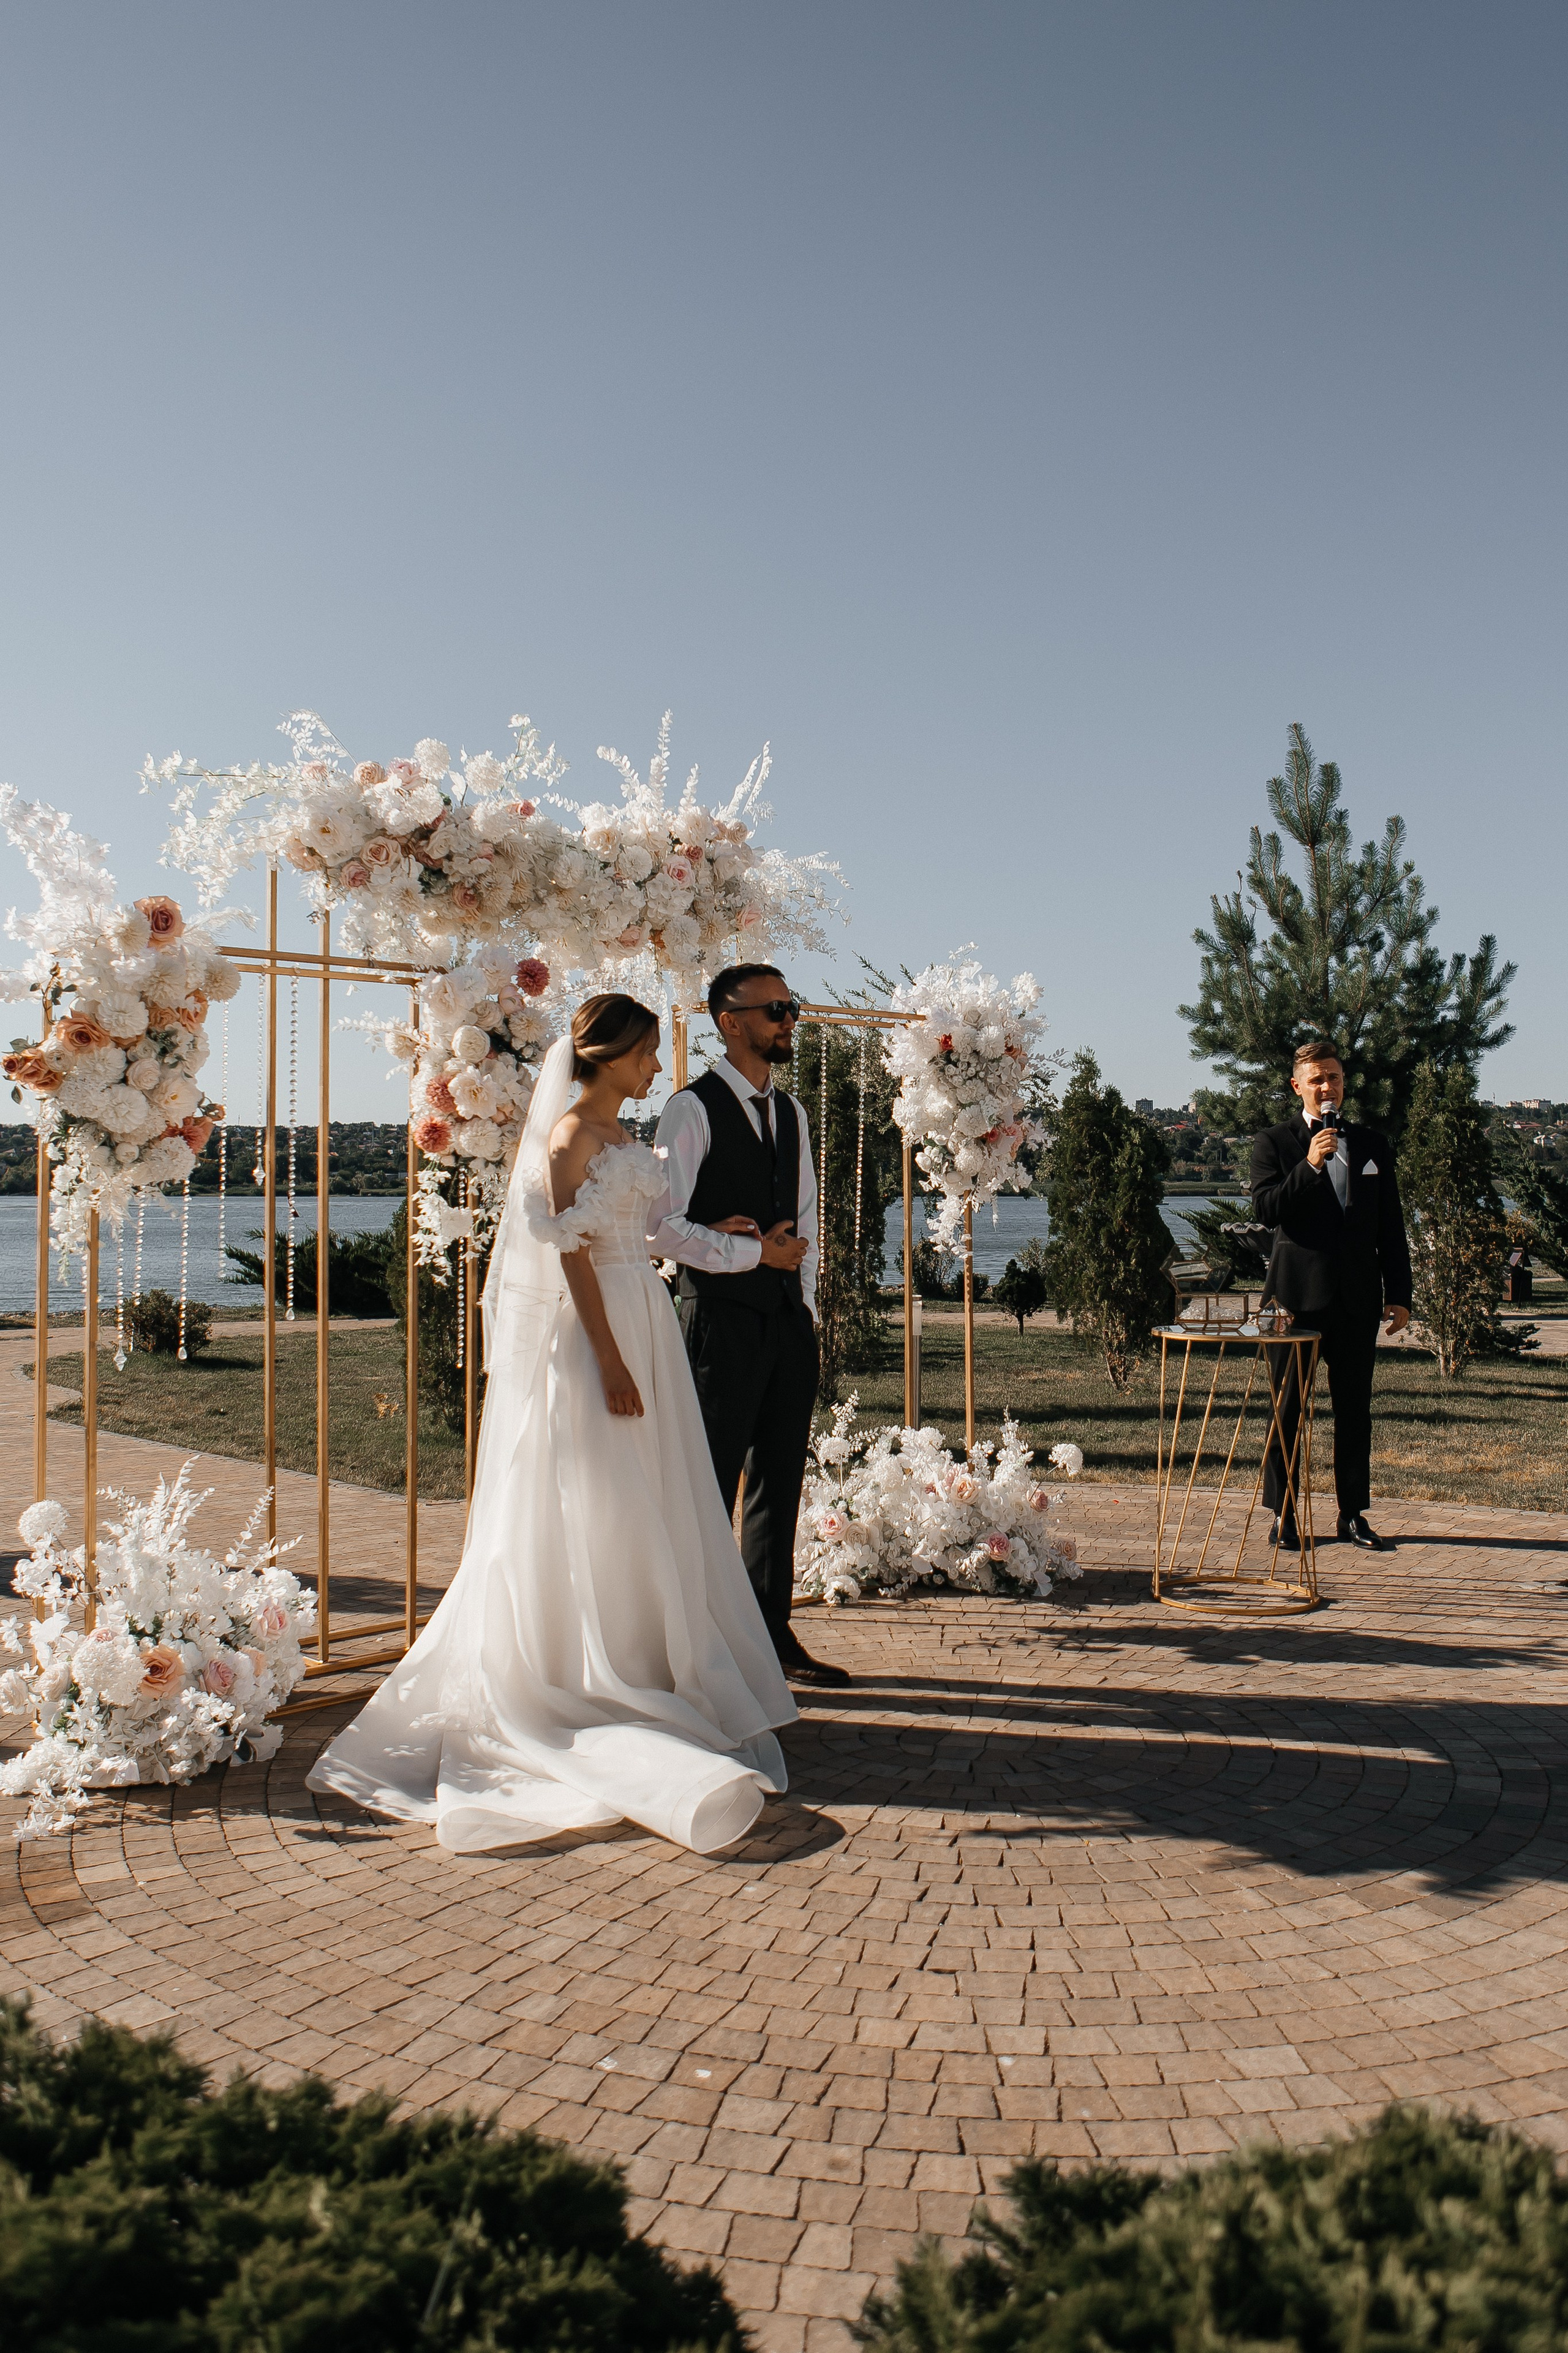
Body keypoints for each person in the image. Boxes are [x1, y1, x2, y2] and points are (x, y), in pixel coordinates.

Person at [306, 995, 797, 1855]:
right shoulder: (569, 1138)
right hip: (600, 1327)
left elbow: (640, 1224)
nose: (654, 1068)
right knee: (599, 1493)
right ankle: (584, 1668)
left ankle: (647, 1653)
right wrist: (607, 1358)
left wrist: (708, 1229)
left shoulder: (621, 1137)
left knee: (651, 1490)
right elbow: (571, 1257)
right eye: (646, 1053)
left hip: (643, 1312)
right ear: (608, 1055)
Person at [650, 964, 849, 1689]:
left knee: (780, 1482)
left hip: (784, 1324)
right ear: (730, 1021)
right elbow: (657, 1226)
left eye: (791, 1007)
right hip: (718, 1325)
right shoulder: (690, 1110)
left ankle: (769, 1635)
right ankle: (698, 1646)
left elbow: (804, 1224)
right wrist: (746, 1254)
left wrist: (804, 1309)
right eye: (775, 1010)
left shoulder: (791, 1113)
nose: (789, 1019)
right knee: (709, 1484)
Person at [1250, 1039, 1412, 1552]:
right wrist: (1311, 1165)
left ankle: (1352, 1515)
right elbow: (1266, 1210)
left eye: (1335, 1078)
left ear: (1344, 1085)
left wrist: (1400, 1292)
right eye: (1317, 1078)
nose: (1327, 1087)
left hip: (1358, 1300)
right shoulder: (1274, 1143)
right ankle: (1283, 1514)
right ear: (1297, 1085)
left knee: (1354, 1411)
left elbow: (1391, 1225)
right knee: (1287, 1410)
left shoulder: (1372, 1146)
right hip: (1294, 1301)